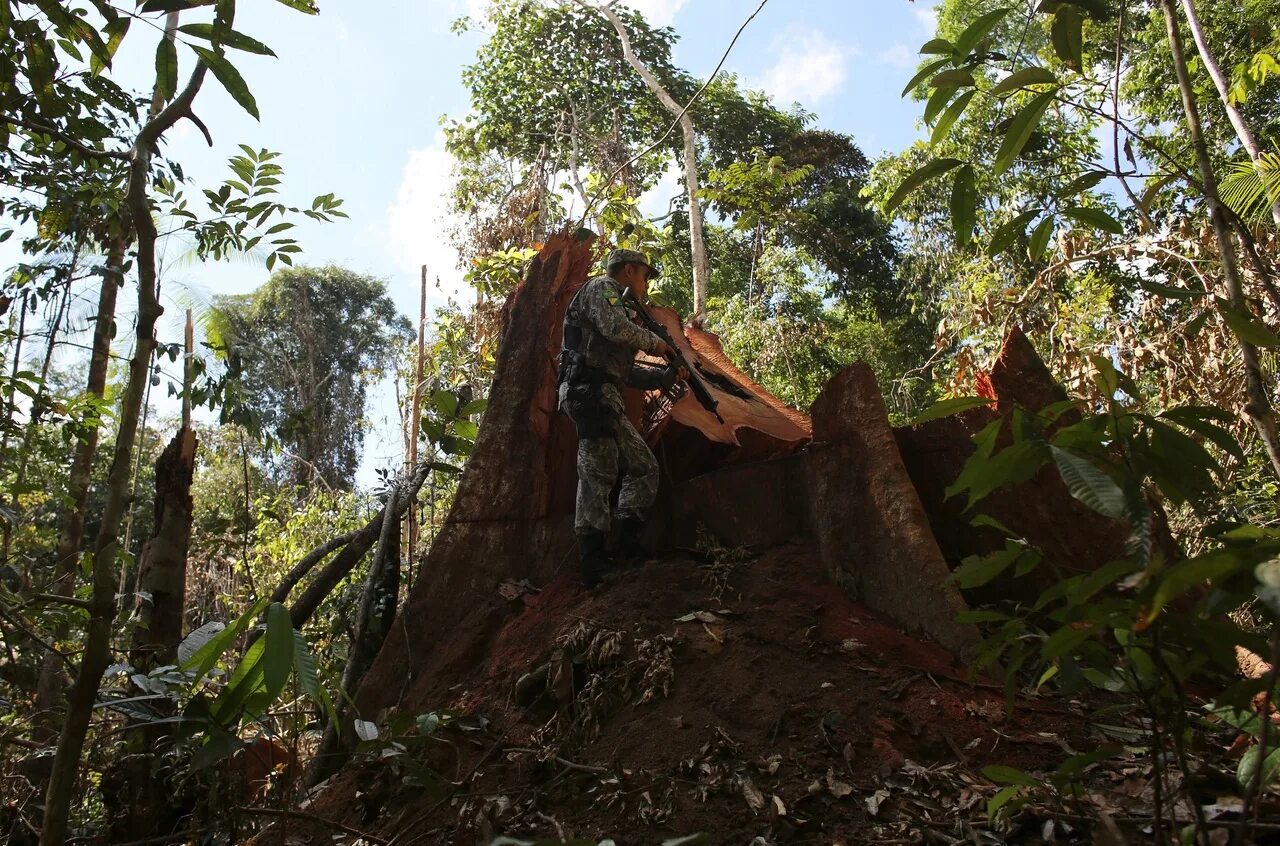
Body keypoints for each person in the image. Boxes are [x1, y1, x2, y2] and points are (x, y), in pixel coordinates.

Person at [558, 248, 685, 588]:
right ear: (629, 270)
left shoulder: (616, 303)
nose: (645, 284)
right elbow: (616, 328)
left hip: (602, 393)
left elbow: (622, 371)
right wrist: (655, 343)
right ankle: (594, 565)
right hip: (589, 393)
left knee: (640, 467)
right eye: (645, 275)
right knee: (598, 473)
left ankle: (624, 548)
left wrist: (662, 378)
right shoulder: (602, 289)